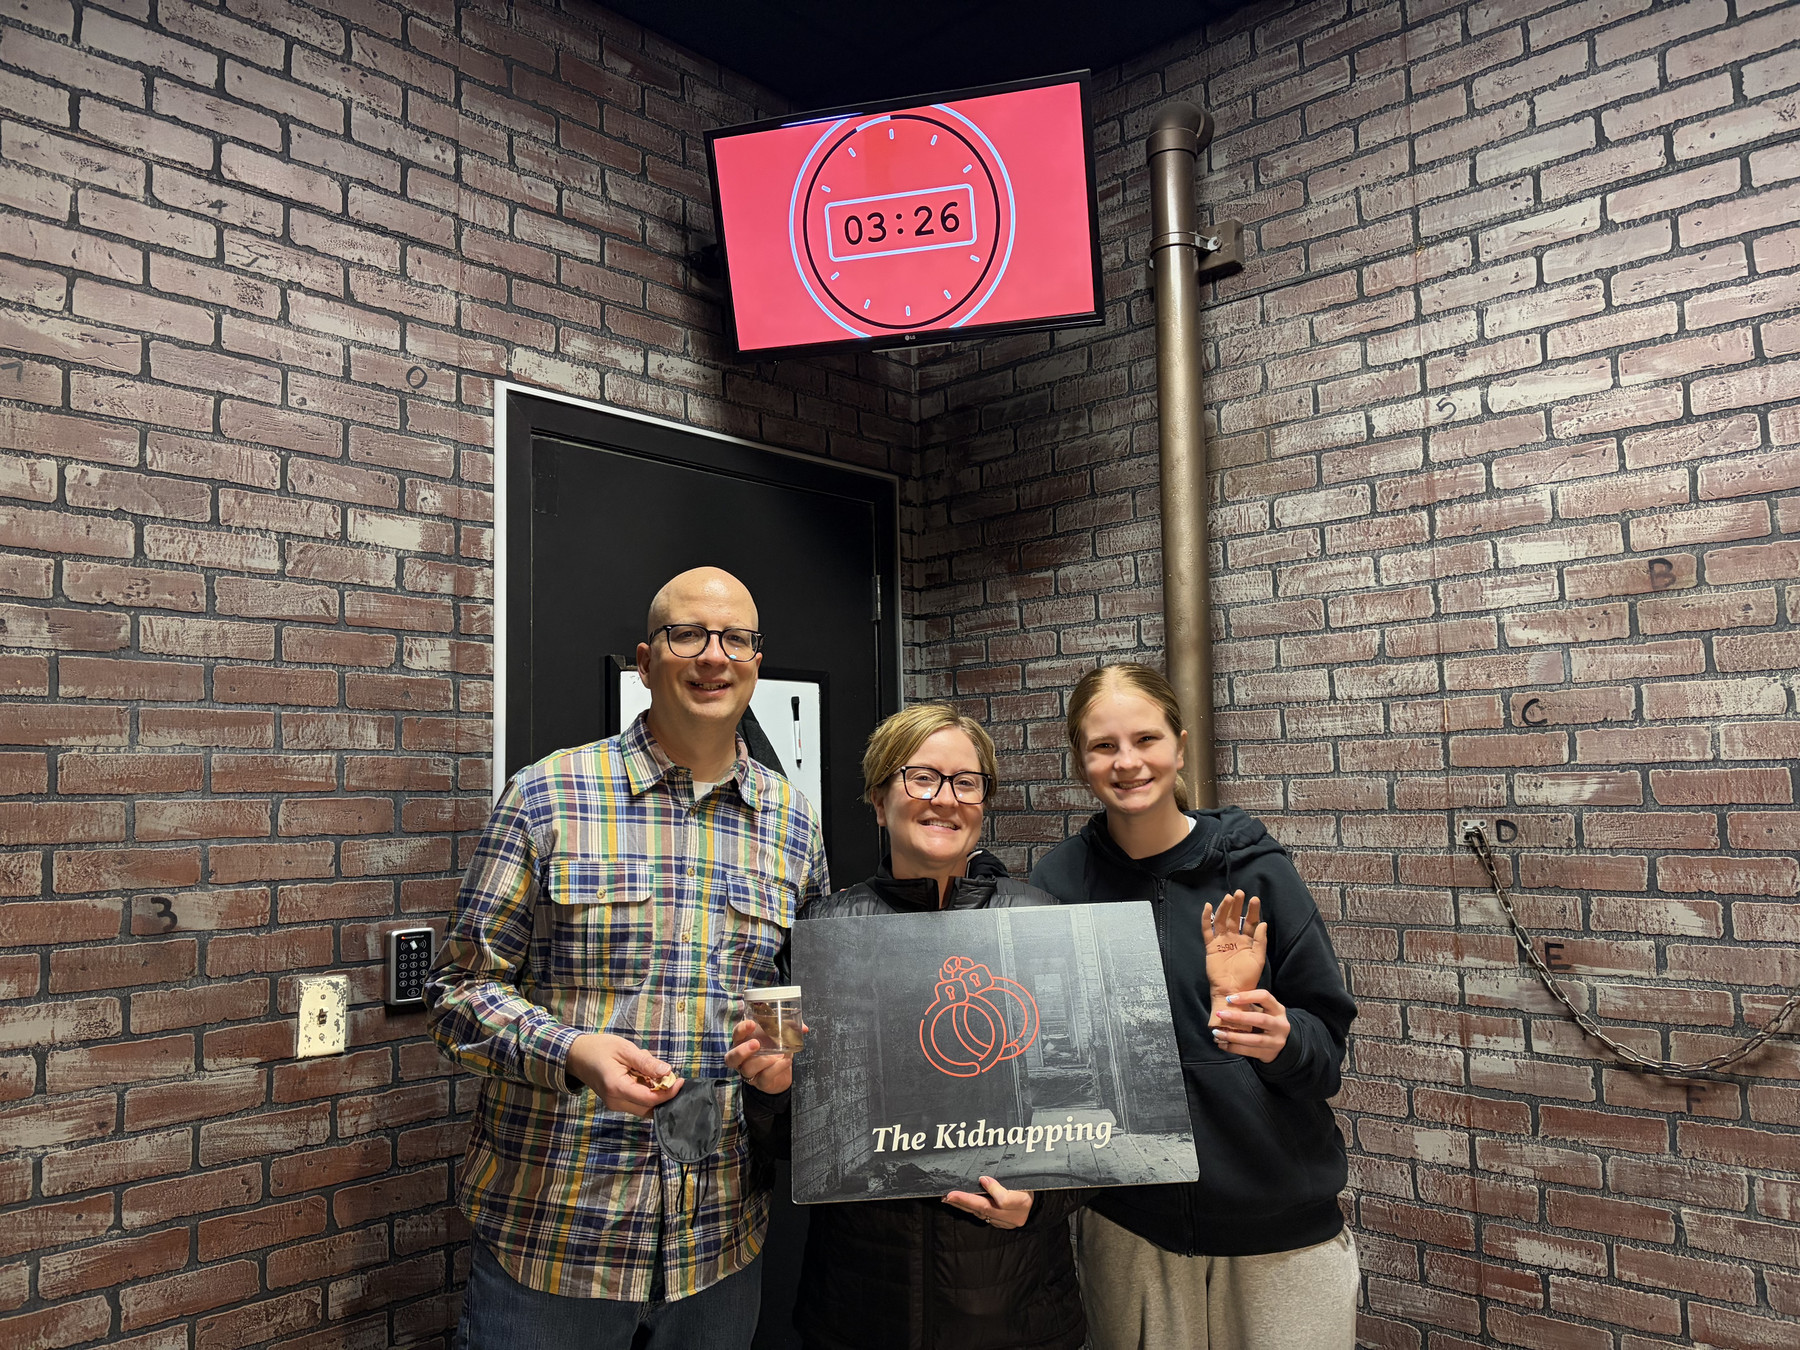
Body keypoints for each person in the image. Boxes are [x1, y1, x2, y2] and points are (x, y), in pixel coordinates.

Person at [427, 566, 827, 1350]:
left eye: (736, 638)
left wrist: (784, 1060)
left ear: (756, 661)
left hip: (717, 1246)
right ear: (646, 662)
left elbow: (802, 999)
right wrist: (572, 1050)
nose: (714, 656)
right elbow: (457, 994)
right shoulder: (547, 796)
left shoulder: (794, 827)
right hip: (554, 1242)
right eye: (689, 635)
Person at [1028, 663, 1360, 1350]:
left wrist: (1279, 1039)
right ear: (1079, 760)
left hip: (1281, 1231)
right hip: (1131, 1230)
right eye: (1102, 746)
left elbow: (1325, 1054)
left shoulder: (1257, 871)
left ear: (1179, 745)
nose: (1127, 762)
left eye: (1146, 739)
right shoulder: (1055, 885)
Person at [791, 703, 1089, 1350]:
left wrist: (1043, 1199)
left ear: (983, 801)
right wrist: (767, 1090)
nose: (945, 799)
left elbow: (1094, 1112)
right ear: (878, 799)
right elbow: (787, 1136)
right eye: (921, 777)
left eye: (966, 782)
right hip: (860, 1307)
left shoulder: (1041, 925)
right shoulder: (825, 934)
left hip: (1017, 1309)